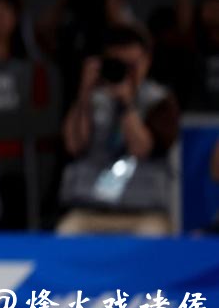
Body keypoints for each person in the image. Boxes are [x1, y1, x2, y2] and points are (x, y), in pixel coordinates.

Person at [57, 25, 179, 235]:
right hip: (91, 208)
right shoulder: (92, 98)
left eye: (132, 65)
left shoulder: (159, 101)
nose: (126, 73)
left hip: (144, 211)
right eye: (118, 64)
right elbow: (73, 144)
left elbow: (140, 148)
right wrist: (84, 93)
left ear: (147, 61)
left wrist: (126, 103)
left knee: (151, 236)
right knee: (67, 232)